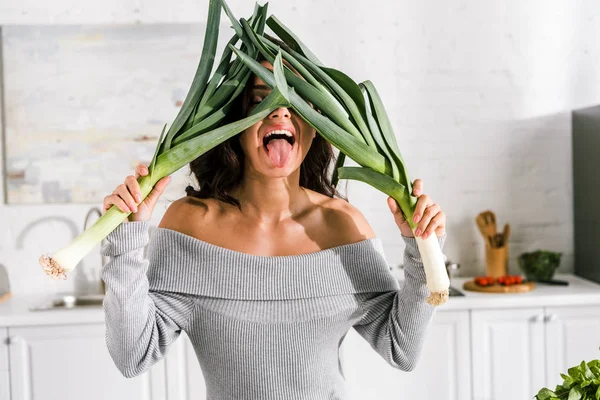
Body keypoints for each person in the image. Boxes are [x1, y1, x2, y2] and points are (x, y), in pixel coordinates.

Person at [100, 56, 447, 399]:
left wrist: (423, 248)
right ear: (235, 125)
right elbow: (133, 356)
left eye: (297, 101)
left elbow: (402, 348)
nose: (280, 112)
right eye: (259, 100)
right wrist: (124, 241)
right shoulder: (190, 224)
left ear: (315, 126)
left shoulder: (343, 225)